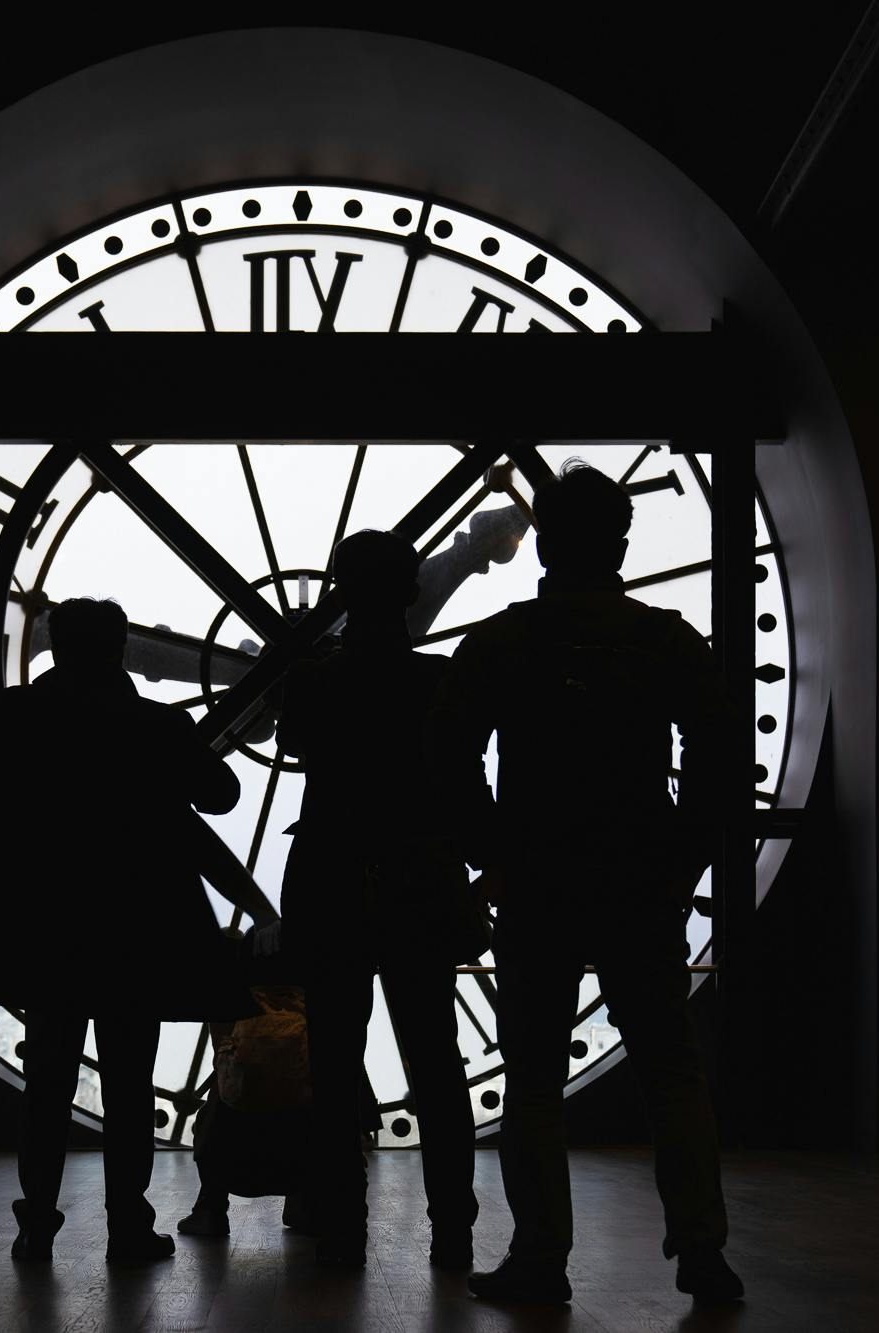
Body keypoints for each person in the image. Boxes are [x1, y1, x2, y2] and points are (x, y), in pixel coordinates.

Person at [431, 462, 745, 1305]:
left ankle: (540, 1256)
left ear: (546, 541)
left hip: (537, 885)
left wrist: (492, 854)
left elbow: (452, 766)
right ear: (620, 542)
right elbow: (718, 765)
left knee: (531, 1075)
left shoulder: (500, 644)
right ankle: (702, 1249)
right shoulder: (666, 642)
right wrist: (682, 861)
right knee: (669, 1066)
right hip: (640, 882)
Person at [0, 597, 245, 1264]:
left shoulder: (27, 717)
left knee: (48, 1077)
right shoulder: (156, 726)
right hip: (135, 930)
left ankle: (37, 1220)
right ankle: (128, 1223)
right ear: (119, 649)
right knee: (130, 1083)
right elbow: (219, 795)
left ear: (57, 646)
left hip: (45, 930)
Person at [276, 529, 484, 1270]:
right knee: (436, 1057)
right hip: (419, 883)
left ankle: (342, 1223)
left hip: (331, 881)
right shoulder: (438, 680)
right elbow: (462, 787)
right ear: (409, 594)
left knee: (334, 1062)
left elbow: (297, 740)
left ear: (339, 591)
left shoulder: (309, 681)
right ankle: (453, 1227)